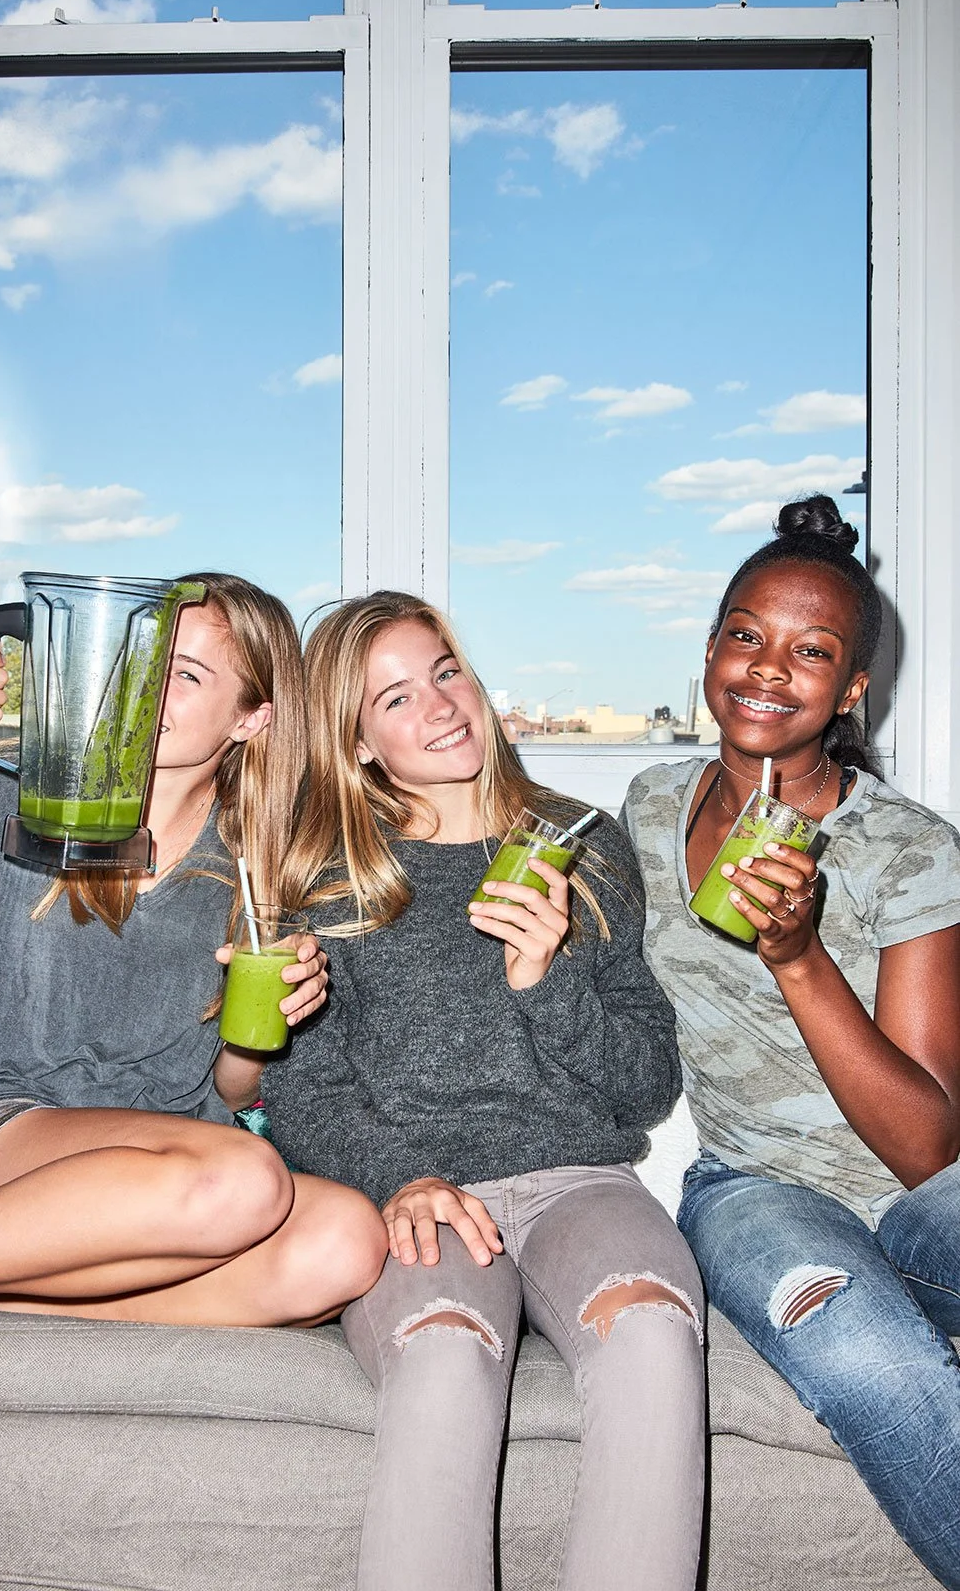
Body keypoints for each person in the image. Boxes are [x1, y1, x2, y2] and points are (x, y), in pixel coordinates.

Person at [0, 572, 386, 1372]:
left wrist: (263, 1027)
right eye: (145, 663)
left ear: (253, 718)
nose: (148, 690)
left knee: (345, 1242)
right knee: (245, 1181)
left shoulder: (262, 865)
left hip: (178, 1178)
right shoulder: (17, 794)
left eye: (186, 675)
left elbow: (232, 1088)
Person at [260, 591, 706, 1591]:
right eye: (395, 698)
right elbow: (303, 1096)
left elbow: (646, 1083)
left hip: (581, 1183)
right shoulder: (329, 879)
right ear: (358, 743)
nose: (440, 706)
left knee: (651, 1332)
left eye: (445, 672)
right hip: (420, 1198)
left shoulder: (583, 848)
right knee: (445, 1356)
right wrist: (401, 1176)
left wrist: (544, 981)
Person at [620, 496, 960, 1590]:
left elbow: (928, 1150)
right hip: (755, 1190)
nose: (768, 669)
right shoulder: (648, 804)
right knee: (867, 1357)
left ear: (852, 688)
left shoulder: (906, 848)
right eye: (745, 635)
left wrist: (799, 956)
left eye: (811, 651)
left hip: (916, 1193)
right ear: (710, 649)